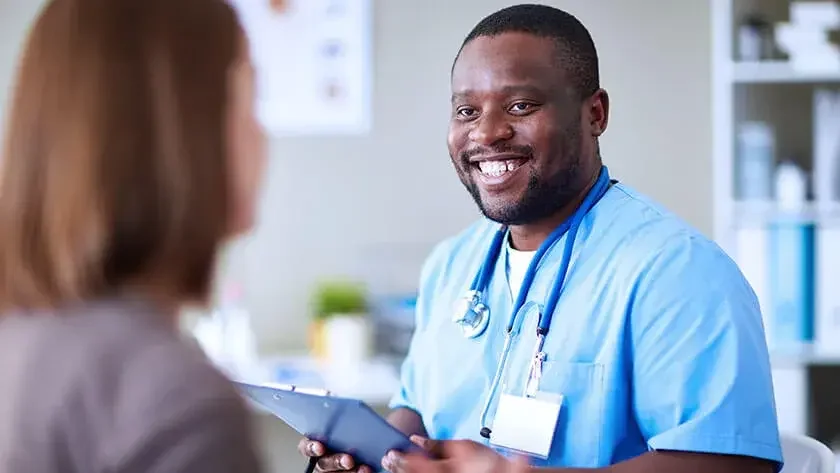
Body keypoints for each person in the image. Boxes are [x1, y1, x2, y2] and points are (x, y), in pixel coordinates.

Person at [299, 4, 783, 473]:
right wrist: (373, 455)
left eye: (520, 106)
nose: (486, 134)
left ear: (595, 114)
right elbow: (418, 412)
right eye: (467, 111)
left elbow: (731, 462)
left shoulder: (679, 272)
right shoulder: (451, 266)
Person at [0, 0, 267, 471]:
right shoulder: (176, 403)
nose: (263, 136)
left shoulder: (22, 340)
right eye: (247, 101)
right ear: (184, 135)